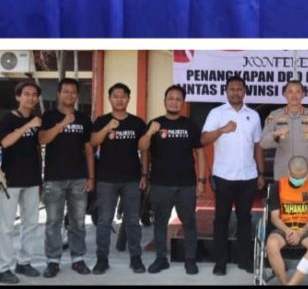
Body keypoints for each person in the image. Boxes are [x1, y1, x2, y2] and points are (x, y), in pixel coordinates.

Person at [139, 83, 206, 276]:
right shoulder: (154, 123)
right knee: (160, 222)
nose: (174, 102)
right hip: (160, 183)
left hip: (186, 184)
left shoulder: (190, 125)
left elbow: (200, 153)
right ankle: (161, 259)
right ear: (164, 101)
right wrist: (150, 132)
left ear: (182, 103)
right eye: (171, 98)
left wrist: (201, 181)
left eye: (178, 99)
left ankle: (190, 259)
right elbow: (143, 148)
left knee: (189, 222)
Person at [200, 76, 264, 276]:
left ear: (245, 91)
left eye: (239, 89)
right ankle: (220, 262)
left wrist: (261, 173)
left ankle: (244, 260)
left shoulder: (253, 115)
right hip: (224, 176)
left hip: (248, 176)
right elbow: (203, 139)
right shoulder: (216, 113)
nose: (235, 92)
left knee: (245, 219)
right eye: (232, 89)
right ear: (226, 91)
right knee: (221, 219)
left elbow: (258, 145)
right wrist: (222, 130)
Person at [38, 78, 94, 279]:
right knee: (53, 222)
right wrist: (62, 124)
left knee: (78, 222)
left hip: (79, 178)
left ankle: (78, 258)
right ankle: (53, 261)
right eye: (66, 91)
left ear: (77, 95)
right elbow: (42, 139)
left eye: (73, 92)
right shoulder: (49, 116)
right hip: (54, 178)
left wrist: (91, 176)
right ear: (59, 94)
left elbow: (88, 149)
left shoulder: (84, 119)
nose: (69, 95)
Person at [90, 82, 147, 275]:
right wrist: (108, 128)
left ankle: (136, 258)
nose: (119, 99)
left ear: (128, 98)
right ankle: (102, 259)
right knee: (104, 221)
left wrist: (144, 175)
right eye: (115, 96)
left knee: (133, 221)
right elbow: (94, 142)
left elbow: (144, 149)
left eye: (123, 96)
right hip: (107, 179)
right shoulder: (102, 120)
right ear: (110, 99)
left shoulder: (137, 122)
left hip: (132, 179)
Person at [0, 80, 43, 284]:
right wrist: (28, 126)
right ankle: (2, 267)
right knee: (6, 226)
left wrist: (40, 177)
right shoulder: (8, 119)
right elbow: (5, 142)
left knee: (31, 223)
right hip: (10, 179)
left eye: (34, 94)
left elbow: (37, 147)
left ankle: (24, 262)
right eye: (26, 94)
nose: (31, 98)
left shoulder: (37, 119)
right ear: (18, 97)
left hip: (32, 178)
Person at [265, 155, 308, 287]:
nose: (298, 180)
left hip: (306, 228)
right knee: (271, 243)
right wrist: (287, 230)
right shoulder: (277, 186)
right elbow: (274, 217)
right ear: (288, 171)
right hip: (282, 227)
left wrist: (301, 231)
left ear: (307, 172)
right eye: (295, 177)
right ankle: (284, 282)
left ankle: (292, 284)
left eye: (301, 177)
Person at [260, 80, 308, 184]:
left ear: (303, 94)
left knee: (307, 196)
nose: (294, 95)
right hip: (283, 174)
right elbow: (263, 143)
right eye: (290, 91)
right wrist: (275, 135)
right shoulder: (275, 116)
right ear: (284, 94)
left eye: (298, 91)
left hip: (307, 174)